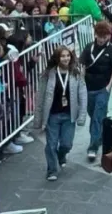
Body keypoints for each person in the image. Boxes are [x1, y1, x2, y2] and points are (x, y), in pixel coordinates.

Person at [34, 46, 88, 182]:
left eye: (68, 56)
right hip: (52, 115)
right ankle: (52, 170)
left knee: (67, 144)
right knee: (51, 144)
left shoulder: (76, 73)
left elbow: (83, 95)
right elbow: (40, 97)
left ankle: (61, 155)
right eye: (63, 56)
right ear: (57, 58)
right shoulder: (47, 74)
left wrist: (82, 115)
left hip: (69, 115)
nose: (66, 58)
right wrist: (38, 118)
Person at [80, 21, 112, 162]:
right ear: (95, 35)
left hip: (103, 88)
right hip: (88, 87)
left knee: (97, 116)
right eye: (100, 36)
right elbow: (83, 65)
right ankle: (103, 135)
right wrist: (81, 82)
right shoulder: (88, 47)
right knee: (93, 114)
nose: (102, 39)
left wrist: (109, 86)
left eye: (105, 36)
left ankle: (93, 146)